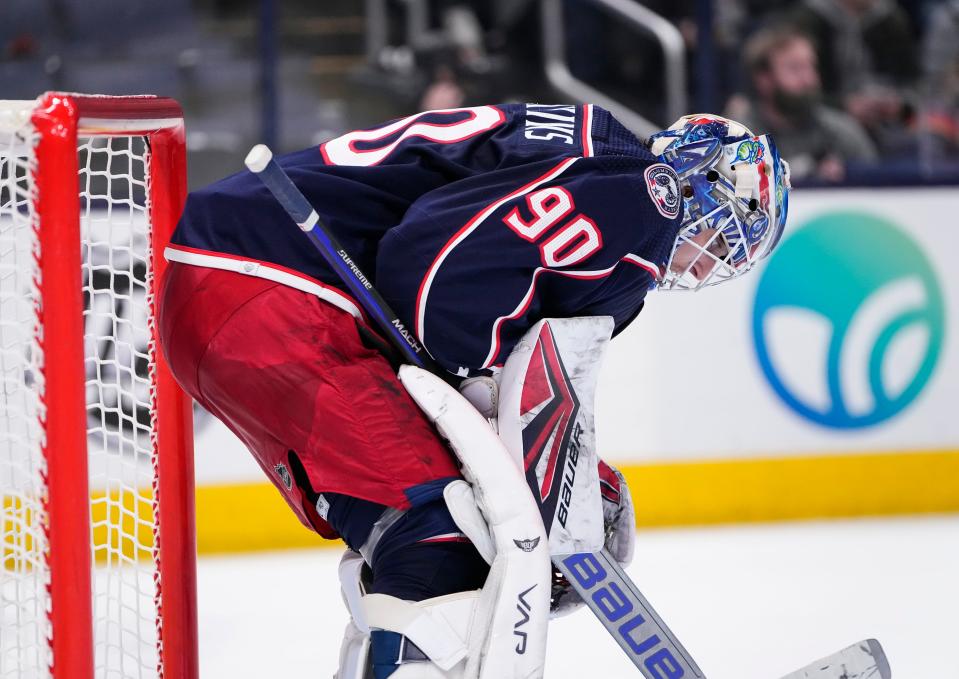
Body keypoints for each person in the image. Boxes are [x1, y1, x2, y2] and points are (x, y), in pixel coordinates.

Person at [158, 105, 790, 677]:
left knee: (426, 532)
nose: (709, 265)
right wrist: (520, 444)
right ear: (698, 182)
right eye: (726, 236)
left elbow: (481, 336)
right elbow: (434, 287)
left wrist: (560, 474)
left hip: (243, 291)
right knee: (440, 534)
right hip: (272, 289)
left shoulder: (599, 168)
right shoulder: (647, 200)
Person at [726, 24, 877, 181]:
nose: (809, 79)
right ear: (764, 79)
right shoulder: (737, 137)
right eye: (795, 68)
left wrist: (846, 173)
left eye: (811, 67)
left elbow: (875, 188)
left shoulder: (842, 131)